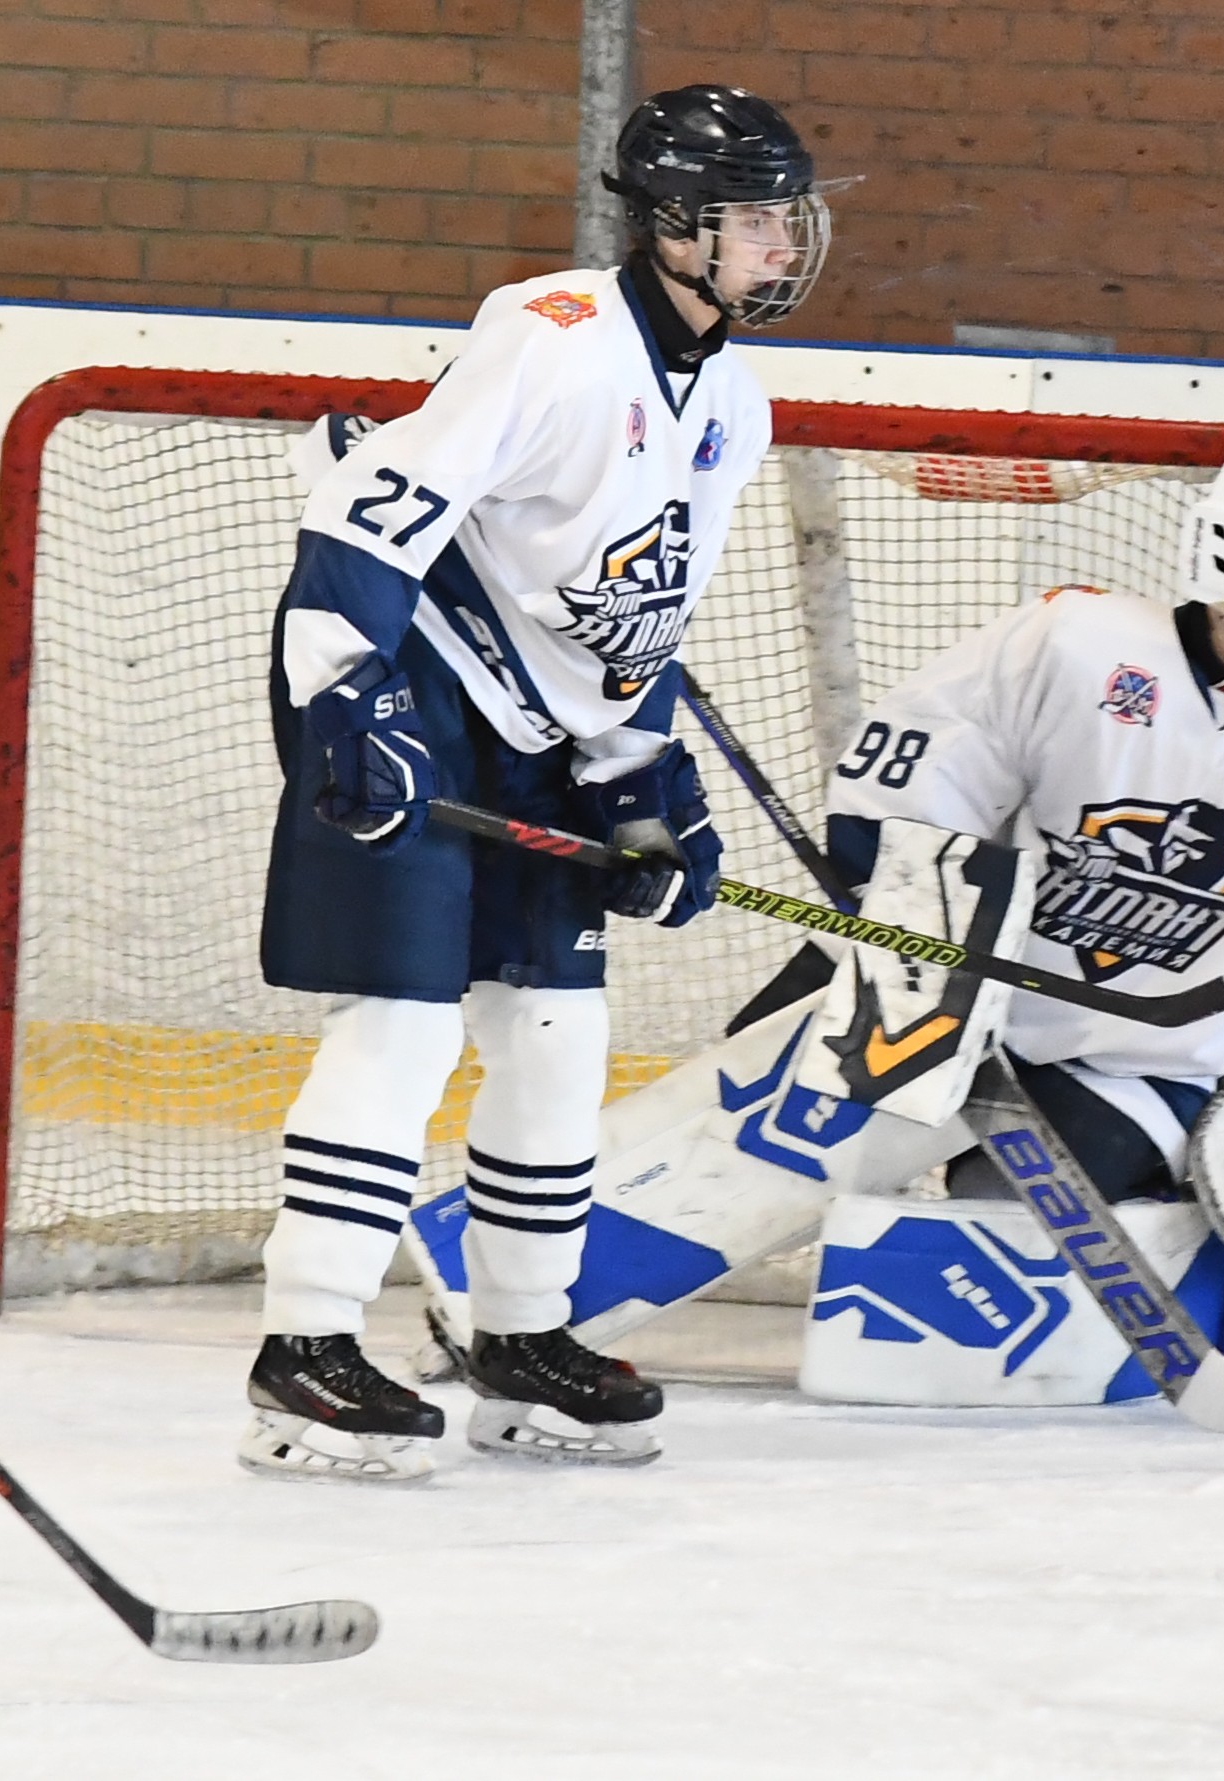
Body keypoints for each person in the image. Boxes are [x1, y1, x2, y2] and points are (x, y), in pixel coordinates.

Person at [459, 431, 1224, 1410]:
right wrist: (939, 967)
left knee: (1023, 1249)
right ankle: (489, 1296)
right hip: (942, 986)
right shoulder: (1077, 644)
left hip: (1130, 1068)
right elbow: (899, 787)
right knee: (752, 1130)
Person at [239, 85, 836, 1481]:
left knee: (557, 1029)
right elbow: (367, 504)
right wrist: (353, 695)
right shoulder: (552, 334)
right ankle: (307, 1348)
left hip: (544, 730)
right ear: (675, 229)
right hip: (408, 684)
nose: (782, 244)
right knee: (405, 1025)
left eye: (786, 219)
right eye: (755, 220)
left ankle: (519, 1339)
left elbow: (637, 622)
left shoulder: (731, 405)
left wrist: (640, 775)